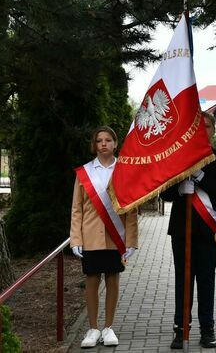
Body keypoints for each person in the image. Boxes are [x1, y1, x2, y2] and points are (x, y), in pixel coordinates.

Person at [161, 111, 216, 349]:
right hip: (182, 229)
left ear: (212, 131)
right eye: (198, 127)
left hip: (208, 230)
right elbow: (164, 192)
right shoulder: (179, 158)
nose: (204, 130)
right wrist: (180, 188)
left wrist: (200, 176)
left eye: (208, 127)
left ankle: (207, 329)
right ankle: (181, 330)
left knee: (206, 279)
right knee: (183, 279)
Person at [70, 126, 138, 348]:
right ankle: (92, 328)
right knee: (91, 281)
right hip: (90, 236)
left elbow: (131, 208)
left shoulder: (125, 170)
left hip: (114, 235)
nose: (104, 144)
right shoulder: (84, 173)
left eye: (108, 140)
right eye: (99, 140)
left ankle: (108, 327)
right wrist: (76, 239)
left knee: (112, 280)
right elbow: (77, 209)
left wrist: (131, 241)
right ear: (94, 145)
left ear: (115, 144)